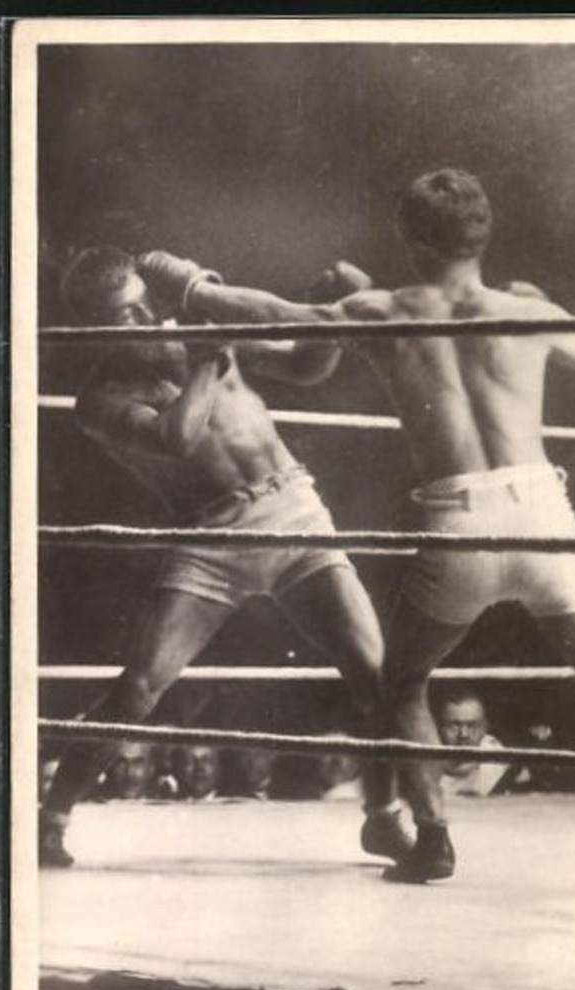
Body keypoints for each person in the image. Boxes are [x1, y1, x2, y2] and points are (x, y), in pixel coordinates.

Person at [314, 168, 575, 881]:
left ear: (410, 239)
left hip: (458, 521)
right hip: (540, 512)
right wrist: (545, 307)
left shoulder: (378, 309)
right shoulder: (520, 310)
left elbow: (275, 323)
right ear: (486, 232)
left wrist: (194, 286)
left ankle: (433, 837)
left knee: (402, 684)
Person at [39, 247, 411, 867]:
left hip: (291, 510)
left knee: (375, 673)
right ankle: (50, 819)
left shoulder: (200, 332)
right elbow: (176, 439)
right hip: (210, 538)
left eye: (142, 305)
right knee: (138, 688)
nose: (141, 320)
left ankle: (383, 816)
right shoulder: (99, 400)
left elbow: (307, 366)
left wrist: (331, 311)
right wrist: (210, 353)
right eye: (121, 316)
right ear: (93, 328)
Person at [437, 686, 512, 797]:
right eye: (454, 725)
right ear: (439, 727)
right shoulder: (422, 762)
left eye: (472, 726)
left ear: (485, 727)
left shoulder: (498, 760)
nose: (464, 734)